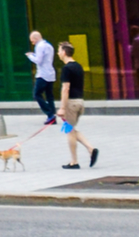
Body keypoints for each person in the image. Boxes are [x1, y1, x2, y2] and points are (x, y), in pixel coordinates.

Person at [56, 42, 98, 170]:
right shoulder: (79, 66)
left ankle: (74, 162)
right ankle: (91, 149)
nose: (57, 53)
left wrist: (62, 107)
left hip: (71, 103)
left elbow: (65, 88)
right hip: (80, 102)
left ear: (64, 52)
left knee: (69, 132)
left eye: (59, 51)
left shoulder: (66, 69)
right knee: (72, 130)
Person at [26, 31, 57, 125]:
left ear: (36, 38)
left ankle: (50, 114)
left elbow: (38, 60)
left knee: (37, 94)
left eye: (32, 41)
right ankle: (52, 116)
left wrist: (30, 56)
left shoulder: (39, 46)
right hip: (50, 73)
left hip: (42, 74)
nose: (32, 43)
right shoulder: (49, 45)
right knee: (49, 96)